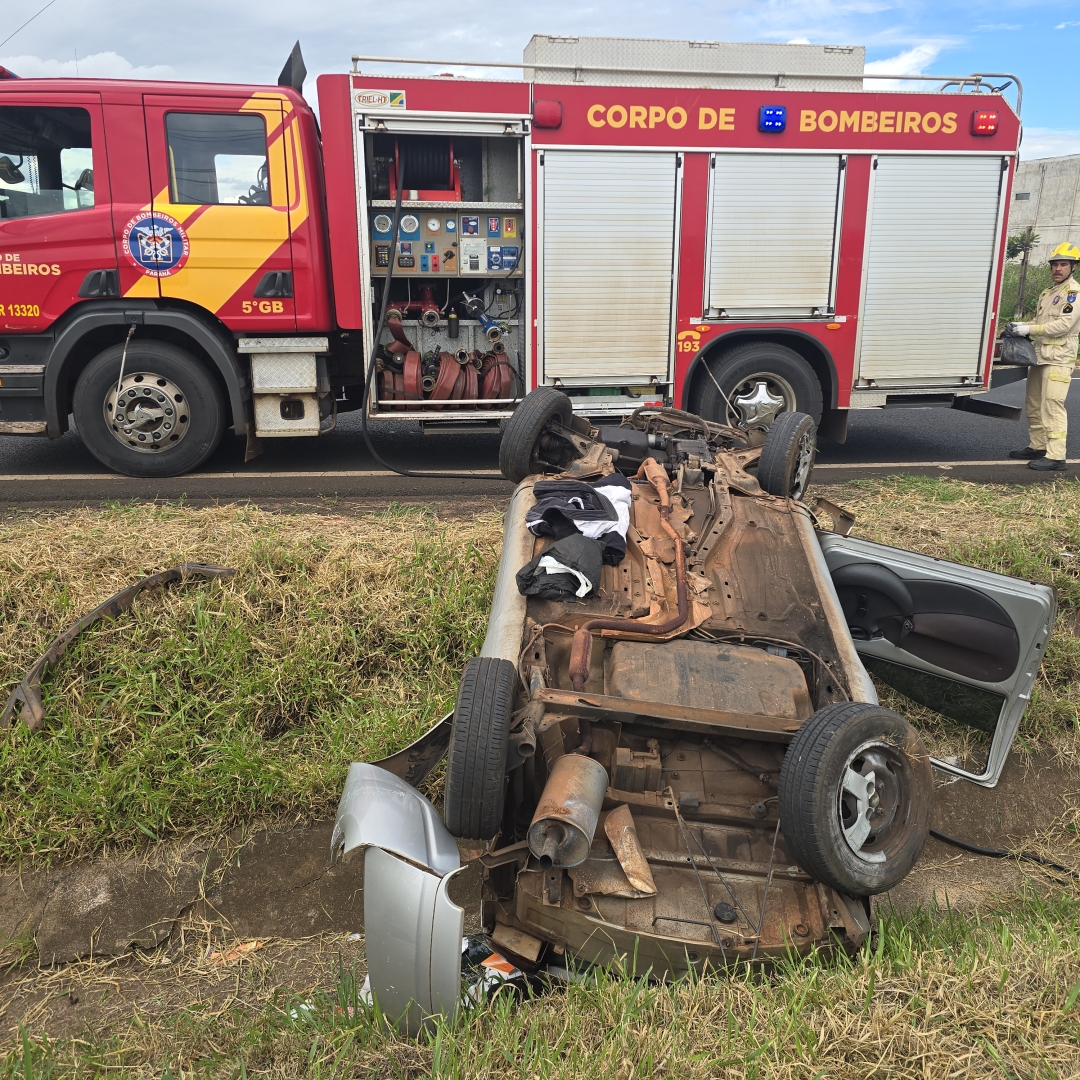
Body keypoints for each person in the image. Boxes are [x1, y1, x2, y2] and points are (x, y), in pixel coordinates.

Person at [1008, 242, 1080, 471]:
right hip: (1040, 357)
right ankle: (1038, 446)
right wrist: (1022, 325)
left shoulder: (1073, 293)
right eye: (1055, 264)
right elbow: (1041, 324)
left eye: (1063, 264)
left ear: (1073, 267)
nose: (1058, 268)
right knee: (1033, 404)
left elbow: (1062, 325)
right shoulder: (1048, 293)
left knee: (1052, 405)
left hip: (1058, 358)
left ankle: (1056, 456)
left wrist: (1029, 330)